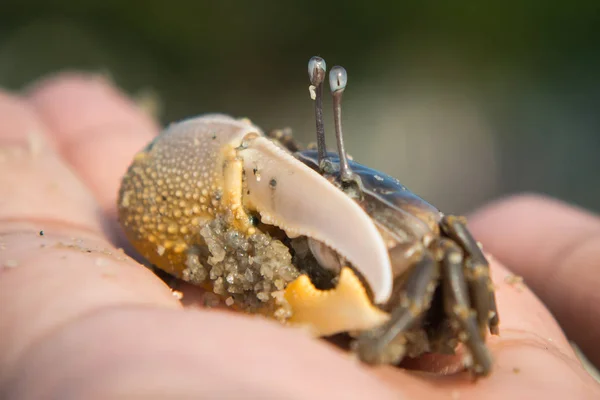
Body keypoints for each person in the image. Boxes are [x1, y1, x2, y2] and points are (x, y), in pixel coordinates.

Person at [0, 74, 598, 399]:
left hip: (403, 296)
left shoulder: (438, 245)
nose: (331, 201)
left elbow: (453, 274)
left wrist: (455, 336)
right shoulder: (270, 173)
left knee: (444, 241)